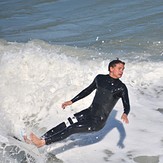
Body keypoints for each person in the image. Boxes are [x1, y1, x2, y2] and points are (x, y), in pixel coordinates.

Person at [29, 59, 130, 148]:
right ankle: (40, 139)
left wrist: (125, 113)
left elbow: (127, 104)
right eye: (119, 68)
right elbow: (87, 91)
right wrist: (72, 101)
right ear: (111, 68)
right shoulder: (100, 78)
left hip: (97, 122)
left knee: (72, 128)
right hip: (88, 112)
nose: (121, 71)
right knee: (66, 123)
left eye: (123, 69)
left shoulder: (121, 87)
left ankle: (43, 142)